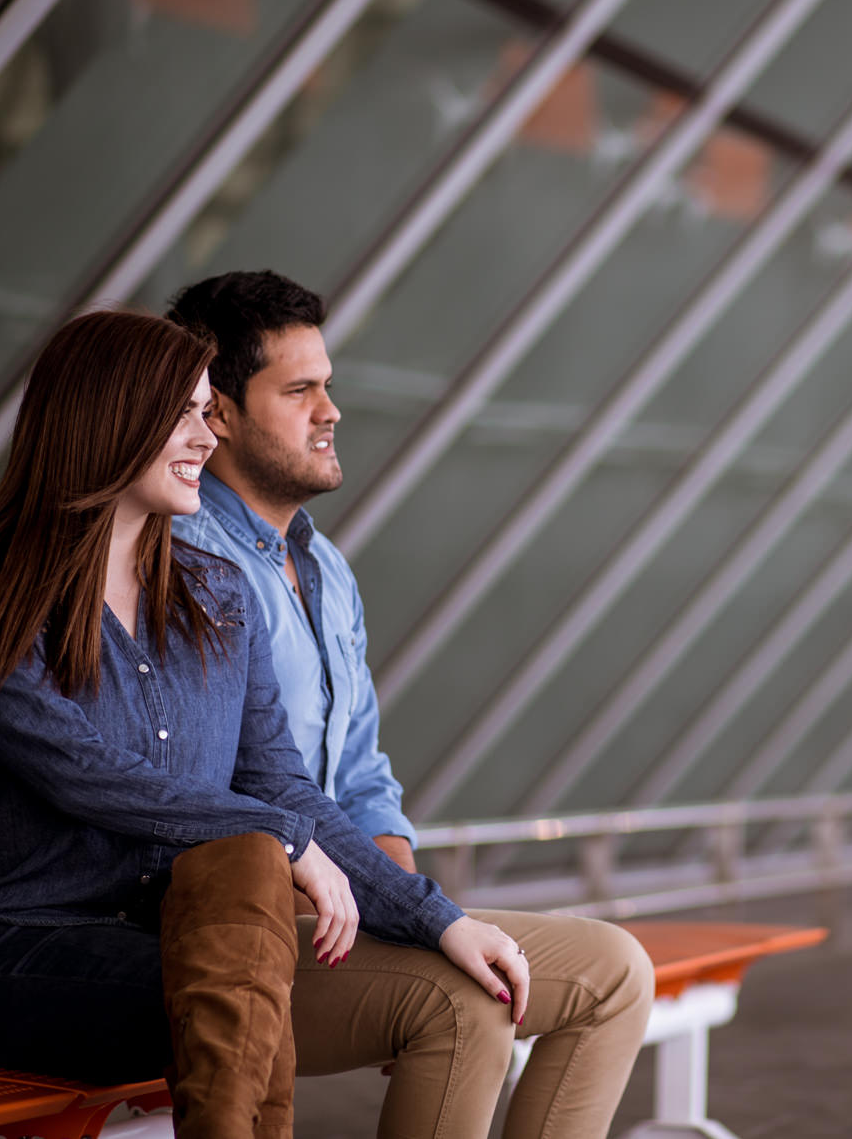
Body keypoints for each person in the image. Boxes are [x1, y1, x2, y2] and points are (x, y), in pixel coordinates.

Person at [0, 310, 650, 1139]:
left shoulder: (214, 595)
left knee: (466, 990)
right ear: (107, 418)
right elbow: (92, 775)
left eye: (203, 411)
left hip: (212, 940)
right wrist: (282, 836)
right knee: (272, 944)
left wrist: (437, 917)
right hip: (20, 955)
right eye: (181, 415)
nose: (202, 436)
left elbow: (283, 783)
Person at [166, 272, 653, 1137]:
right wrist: (417, 924)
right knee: (469, 1000)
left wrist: (403, 910)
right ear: (222, 414)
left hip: (346, 909)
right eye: (300, 388)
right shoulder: (184, 559)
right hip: (241, 937)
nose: (331, 410)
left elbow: (360, 775)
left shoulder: (325, 569)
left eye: (329, 383)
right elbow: (250, 784)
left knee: (616, 969)